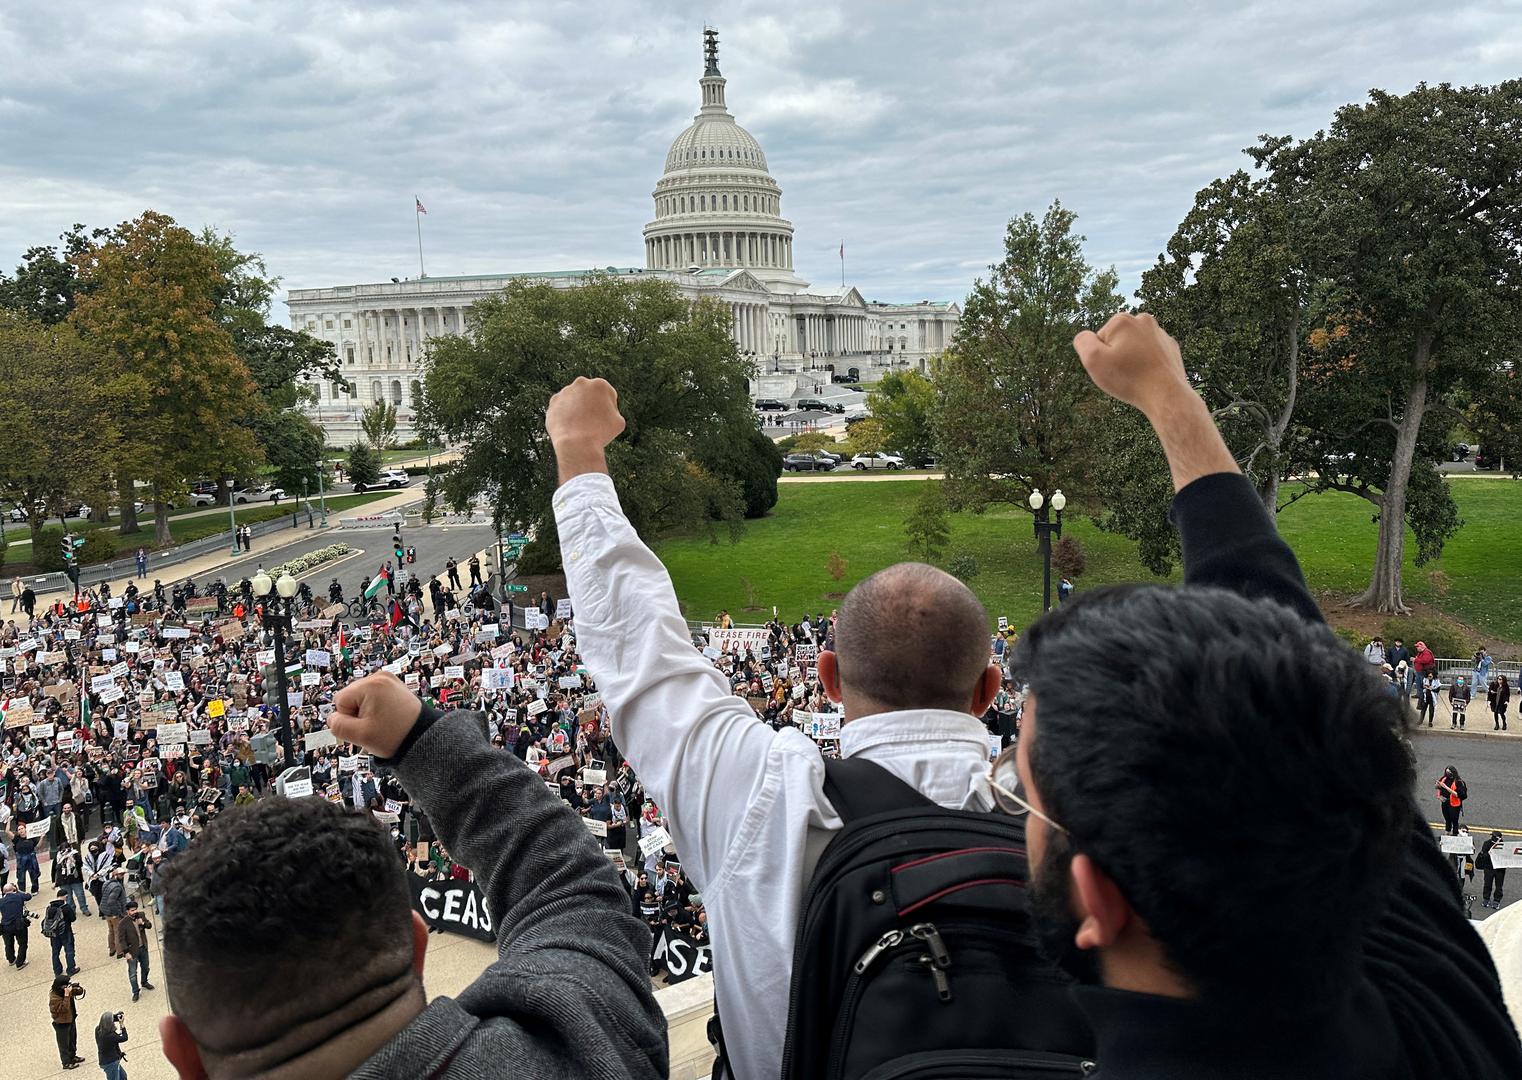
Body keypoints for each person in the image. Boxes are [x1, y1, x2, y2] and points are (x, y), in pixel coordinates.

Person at [984, 311, 1521, 1077]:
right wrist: (1170, 396)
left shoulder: (1432, 976)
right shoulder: (1441, 1004)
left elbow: (1284, 642)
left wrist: (1168, 396)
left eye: (1022, 793)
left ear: (1100, 899)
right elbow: (1278, 643)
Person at [547, 376, 1086, 1079]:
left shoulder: (760, 793)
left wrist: (580, 451)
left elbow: (636, 642)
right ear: (988, 690)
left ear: (827, 679)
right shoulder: (1074, 809)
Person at [156, 672, 668, 1080]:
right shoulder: (583, 1042)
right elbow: (567, 890)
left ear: (183, 1055)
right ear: (416, 943)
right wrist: (420, 738)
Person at [115, 898, 153, 1002]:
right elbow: (121, 939)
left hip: (143, 948)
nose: (134, 912)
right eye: (132, 910)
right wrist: (126, 952)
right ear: (127, 911)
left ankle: (144, 982)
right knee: (132, 973)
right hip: (132, 951)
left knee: (146, 967)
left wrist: (143, 923)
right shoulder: (123, 923)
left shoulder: (141, 915)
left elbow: (149, 926)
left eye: (135, 909)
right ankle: (135, 992)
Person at [50, 973, 87, 1069]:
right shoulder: (54, 997)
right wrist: (67, 995)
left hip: (71, 1019)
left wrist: (76, 987)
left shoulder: (64, 990)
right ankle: (66, 1063)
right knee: (64, 1045)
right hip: (61, 1023)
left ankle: (72, 1056)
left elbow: (79, 992)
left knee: (72, 1040)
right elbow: (64, 1009)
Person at [43, 887, 80, 977]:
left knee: (55, 952)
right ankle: (71, 969)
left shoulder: (49, 907)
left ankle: (57, 971)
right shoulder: (66, 907)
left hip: (53, 934)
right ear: (65, 896)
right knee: (69, 950)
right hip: (66, 932)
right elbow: (73, 919)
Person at [2, 882, 31, 967]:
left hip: (5, 925)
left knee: (8, 943)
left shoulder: (1, 901)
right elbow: (29, 896)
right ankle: (20, 962)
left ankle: (11, 959)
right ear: (14, 889)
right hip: (19, 924)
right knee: (22, 943)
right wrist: (18, 891)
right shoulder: (19, 896)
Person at [1479, 831, 1508, 910]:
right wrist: (1488, 854)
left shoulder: (1504, 845)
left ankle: (1496, 900)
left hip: (1499, 869)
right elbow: (1483, 855)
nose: (1493, 838)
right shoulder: (1487, 843)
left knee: (1499, 886)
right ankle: (1486, 899)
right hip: (1489, 868)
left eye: (1495, 837)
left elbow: (1506, 856)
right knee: (1487, 884)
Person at [95, 1011, 128, 1080]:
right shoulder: (111, 1036)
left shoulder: (98, 1030)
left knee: (123, 1077)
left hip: (106, 1060)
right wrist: (121, 1023)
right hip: (111, 1063)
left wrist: (116, 1017)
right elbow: (124, 1037)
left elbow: (106, 1022)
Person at [1436, 765, 1468, 836]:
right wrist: (1438, 786)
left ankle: (1455, 833)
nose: (1447, 773)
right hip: (1445, 802)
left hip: (1454, 804)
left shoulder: (1458, 782)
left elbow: (1458, 794)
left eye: (1449, 772)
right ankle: (1447, 832)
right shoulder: (1444, 778)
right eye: (1446, 772)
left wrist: (1446, 787)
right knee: (1447, 819)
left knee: (1454, 820)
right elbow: (1438, 788)